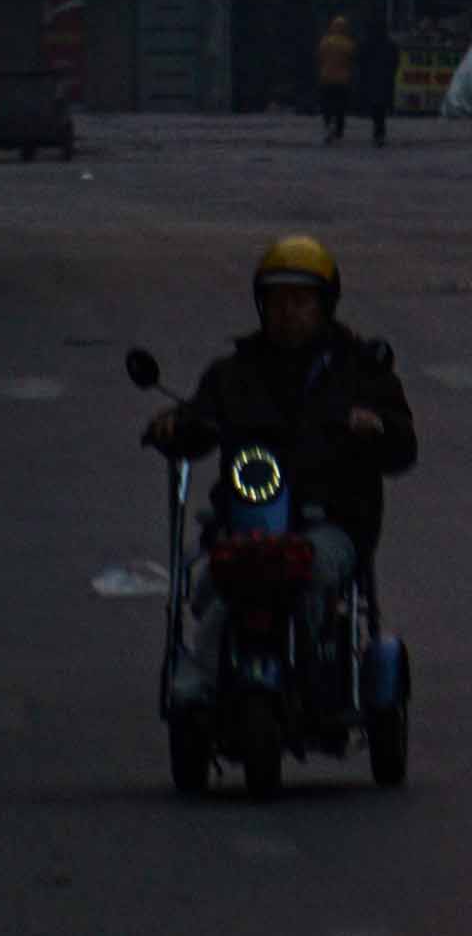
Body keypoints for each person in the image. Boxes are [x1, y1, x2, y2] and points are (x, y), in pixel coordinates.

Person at [144, 234, 418, 708]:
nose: (287, 311)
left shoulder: (359, 369)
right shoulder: (234, 372)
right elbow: (199, 420)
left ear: (324, 305)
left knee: (312, 577)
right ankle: (203, 681)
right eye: (276, 300)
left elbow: (402, 445)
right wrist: (173, 427)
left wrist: (374, 428)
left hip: (328, 522)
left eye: (300, 300)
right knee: (209, 581)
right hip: (243, 524)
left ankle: (314, 667)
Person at [356, 18, 398, 147]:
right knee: (381, 108)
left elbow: (361, 60)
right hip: (384, 79)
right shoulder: (390, 45)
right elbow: (395, 61)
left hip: (372, 79)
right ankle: (379, 132)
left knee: (376, 107)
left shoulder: (367, 43)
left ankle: (378, 132)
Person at [315, 13, 357, 141]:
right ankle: (339, 130)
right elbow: (352, 61)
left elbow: (319, 58)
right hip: (343, 80)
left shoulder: (325, 42)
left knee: (327, 105)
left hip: (326, 78)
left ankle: (327, 125)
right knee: (341, 106)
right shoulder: (348, 44)